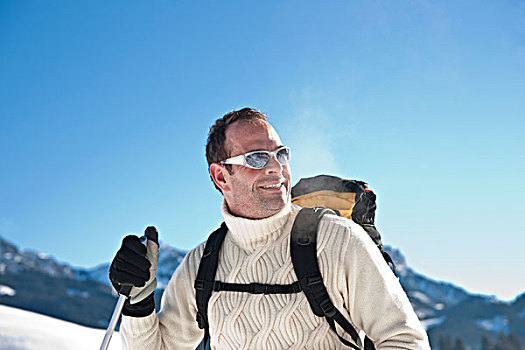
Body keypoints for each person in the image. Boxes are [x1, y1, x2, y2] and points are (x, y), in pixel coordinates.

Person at [109, 108, 431, 349]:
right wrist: (139, 304)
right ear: (221, 177)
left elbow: (405, 340)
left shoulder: (335, 241)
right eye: (258, 158)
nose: (276, 167)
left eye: (281, 154)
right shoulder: (202, 266)